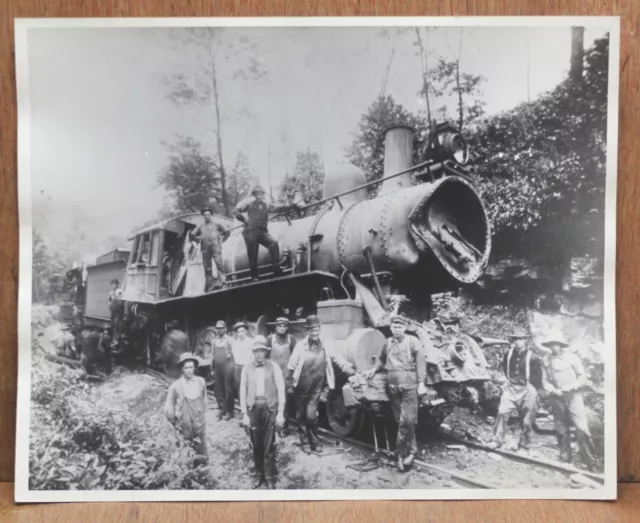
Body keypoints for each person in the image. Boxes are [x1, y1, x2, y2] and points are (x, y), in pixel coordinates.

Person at [363, 315, 428, 471]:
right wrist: (373, 369)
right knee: (401, 421)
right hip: (392, 387)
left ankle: (399, 454)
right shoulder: (388, 343)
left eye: (399, 327)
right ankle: (412, 451)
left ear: (404, 328)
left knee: (408, 421)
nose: (397, 329)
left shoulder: (413, 342)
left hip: (410, 385)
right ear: (390, 328)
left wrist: (421, 383)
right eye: (394, 327)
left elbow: (421, 363)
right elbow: (381, 360)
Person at [287, 315, 356, 452]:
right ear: (307, 331)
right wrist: (289, 384)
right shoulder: (301, 346)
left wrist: (347, 368)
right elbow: (291, 365)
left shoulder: (326, 343)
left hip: (316, 386)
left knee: (311, 415)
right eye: (311, 330)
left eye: (316, 330)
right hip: (301, 385)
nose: (314, 333)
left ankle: (315, 441)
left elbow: (337, 358)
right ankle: (305, 442)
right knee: (301, 414)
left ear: (320, 330)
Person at [541, 333, 597, 471]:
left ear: (561, 345)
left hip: (573, 397)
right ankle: (565, 457)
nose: (554, 347)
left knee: (581, 428)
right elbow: (544, 380)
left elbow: (582, 378)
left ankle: (591, 462)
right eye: (551, 344)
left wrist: (570, 387)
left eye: (556, 344)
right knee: (561, 429)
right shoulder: (546, 360)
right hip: (556, 398)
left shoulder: (572, 358)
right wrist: (552, 389)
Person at [240, 338, 286, 489]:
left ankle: (269, 476)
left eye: (262, 351)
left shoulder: (274, 367)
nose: (259, 354)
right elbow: (243, 390)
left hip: (269, 407)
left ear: (266, 352)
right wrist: (244, 414)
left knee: (269, 443)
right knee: (255, 443)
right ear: (253, 353)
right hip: (253, 409)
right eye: (256, 351)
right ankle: (258, 473)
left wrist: (280, 412)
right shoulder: (247, 368)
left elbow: (280, 388)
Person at [489, 328, 544, 451]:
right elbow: (505, 370)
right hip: (511, 388)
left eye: (521, 339)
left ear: (525, 340)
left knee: (526, 418)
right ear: (513, 341)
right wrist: (506, 381)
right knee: (502, 412)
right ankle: (497, 439)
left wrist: (533, 390)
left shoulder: (533, 358)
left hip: (527, 388)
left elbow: (538, 378)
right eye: (516, 339)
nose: (518, 342)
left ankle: (524, 442)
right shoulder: (508, 355)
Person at [233, 185, 302, 282]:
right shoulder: (249, 203)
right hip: (251, 230)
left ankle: (276, 268)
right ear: (255, 195)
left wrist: (292, 205)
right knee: (253, 253)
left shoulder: (265, 204)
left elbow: (278, 208)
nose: (260, 196)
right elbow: (235, 211)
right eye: (257, 194)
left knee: (273, 243)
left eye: (261, 194)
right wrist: (244, 220)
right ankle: (254, 276)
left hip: (262, 230)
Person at [164, 352, 209, 466]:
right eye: (186, 368)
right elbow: (169, 409)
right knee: (188, 456)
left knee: (202, 453)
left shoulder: (201, 382)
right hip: (185, 428)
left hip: (200, 425)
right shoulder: (175, 386)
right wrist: (178, 424)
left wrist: (202, 418)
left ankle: (204, 475)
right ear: (181, 369)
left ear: (195, 368)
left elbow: (204, 401)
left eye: (191, 367)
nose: (189, 370)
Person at [266, 317, 297, 433]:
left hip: (285, 376)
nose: (282, 328)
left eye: (284, 326)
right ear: (276, 327)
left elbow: (295, 358)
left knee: (284, 402)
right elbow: (265, 356)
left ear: (287, 328)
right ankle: (271, 424)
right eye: (280, 326)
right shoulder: (270, 339)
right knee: (271, 400)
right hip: (272, 375)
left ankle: (284, 427)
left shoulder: (291, 340)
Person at [189, 206, 230, 291]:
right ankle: (210, 286)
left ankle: (223, 283)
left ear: (211, 215)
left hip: (216, 248)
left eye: (208, 214)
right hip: (205, 249)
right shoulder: (200, 226)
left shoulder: (217, 224)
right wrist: (197, 239)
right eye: (205, 215)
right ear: (203, 216)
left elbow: (227, 232)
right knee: (207, 268)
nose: (207, 216)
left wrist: (222, 241)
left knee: (219, 265)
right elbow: (192, 235)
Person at [229, 321, 255, 416]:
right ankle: (243, 411)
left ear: (246, 331)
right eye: (238, 332)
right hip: (238, 368)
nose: (240, 334)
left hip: (247, 367)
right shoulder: (234, 343)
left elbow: (253, 357)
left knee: (249, 388)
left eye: (242, 331)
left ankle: (251, 410)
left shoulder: (251, 342)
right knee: (240, 389)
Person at [212, 320, 235, 420]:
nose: (219, 330)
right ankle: (221, 408)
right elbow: (212, 355)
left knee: (228, 389)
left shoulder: (229, 339)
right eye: (218, 329)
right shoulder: (214, 341)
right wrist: (212, 368)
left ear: (225, 329)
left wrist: (232, 367)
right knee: (218, 389)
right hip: (217, 367)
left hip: (227, 366)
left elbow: (234, 353)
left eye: (221, 328)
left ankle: (229, 411)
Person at [107, 279, 124, 348]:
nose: (114, 285)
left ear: (117, 284)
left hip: (118, 308)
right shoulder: (111, 292)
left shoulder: (120, 291)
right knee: (112, 322)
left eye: (115, 284)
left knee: (118, 323)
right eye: (113, 284)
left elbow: (121, 299)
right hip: (113, 308)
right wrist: (110, 305)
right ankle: (112, 337)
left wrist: (119, 304)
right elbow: (109, 299)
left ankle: (117, 337)